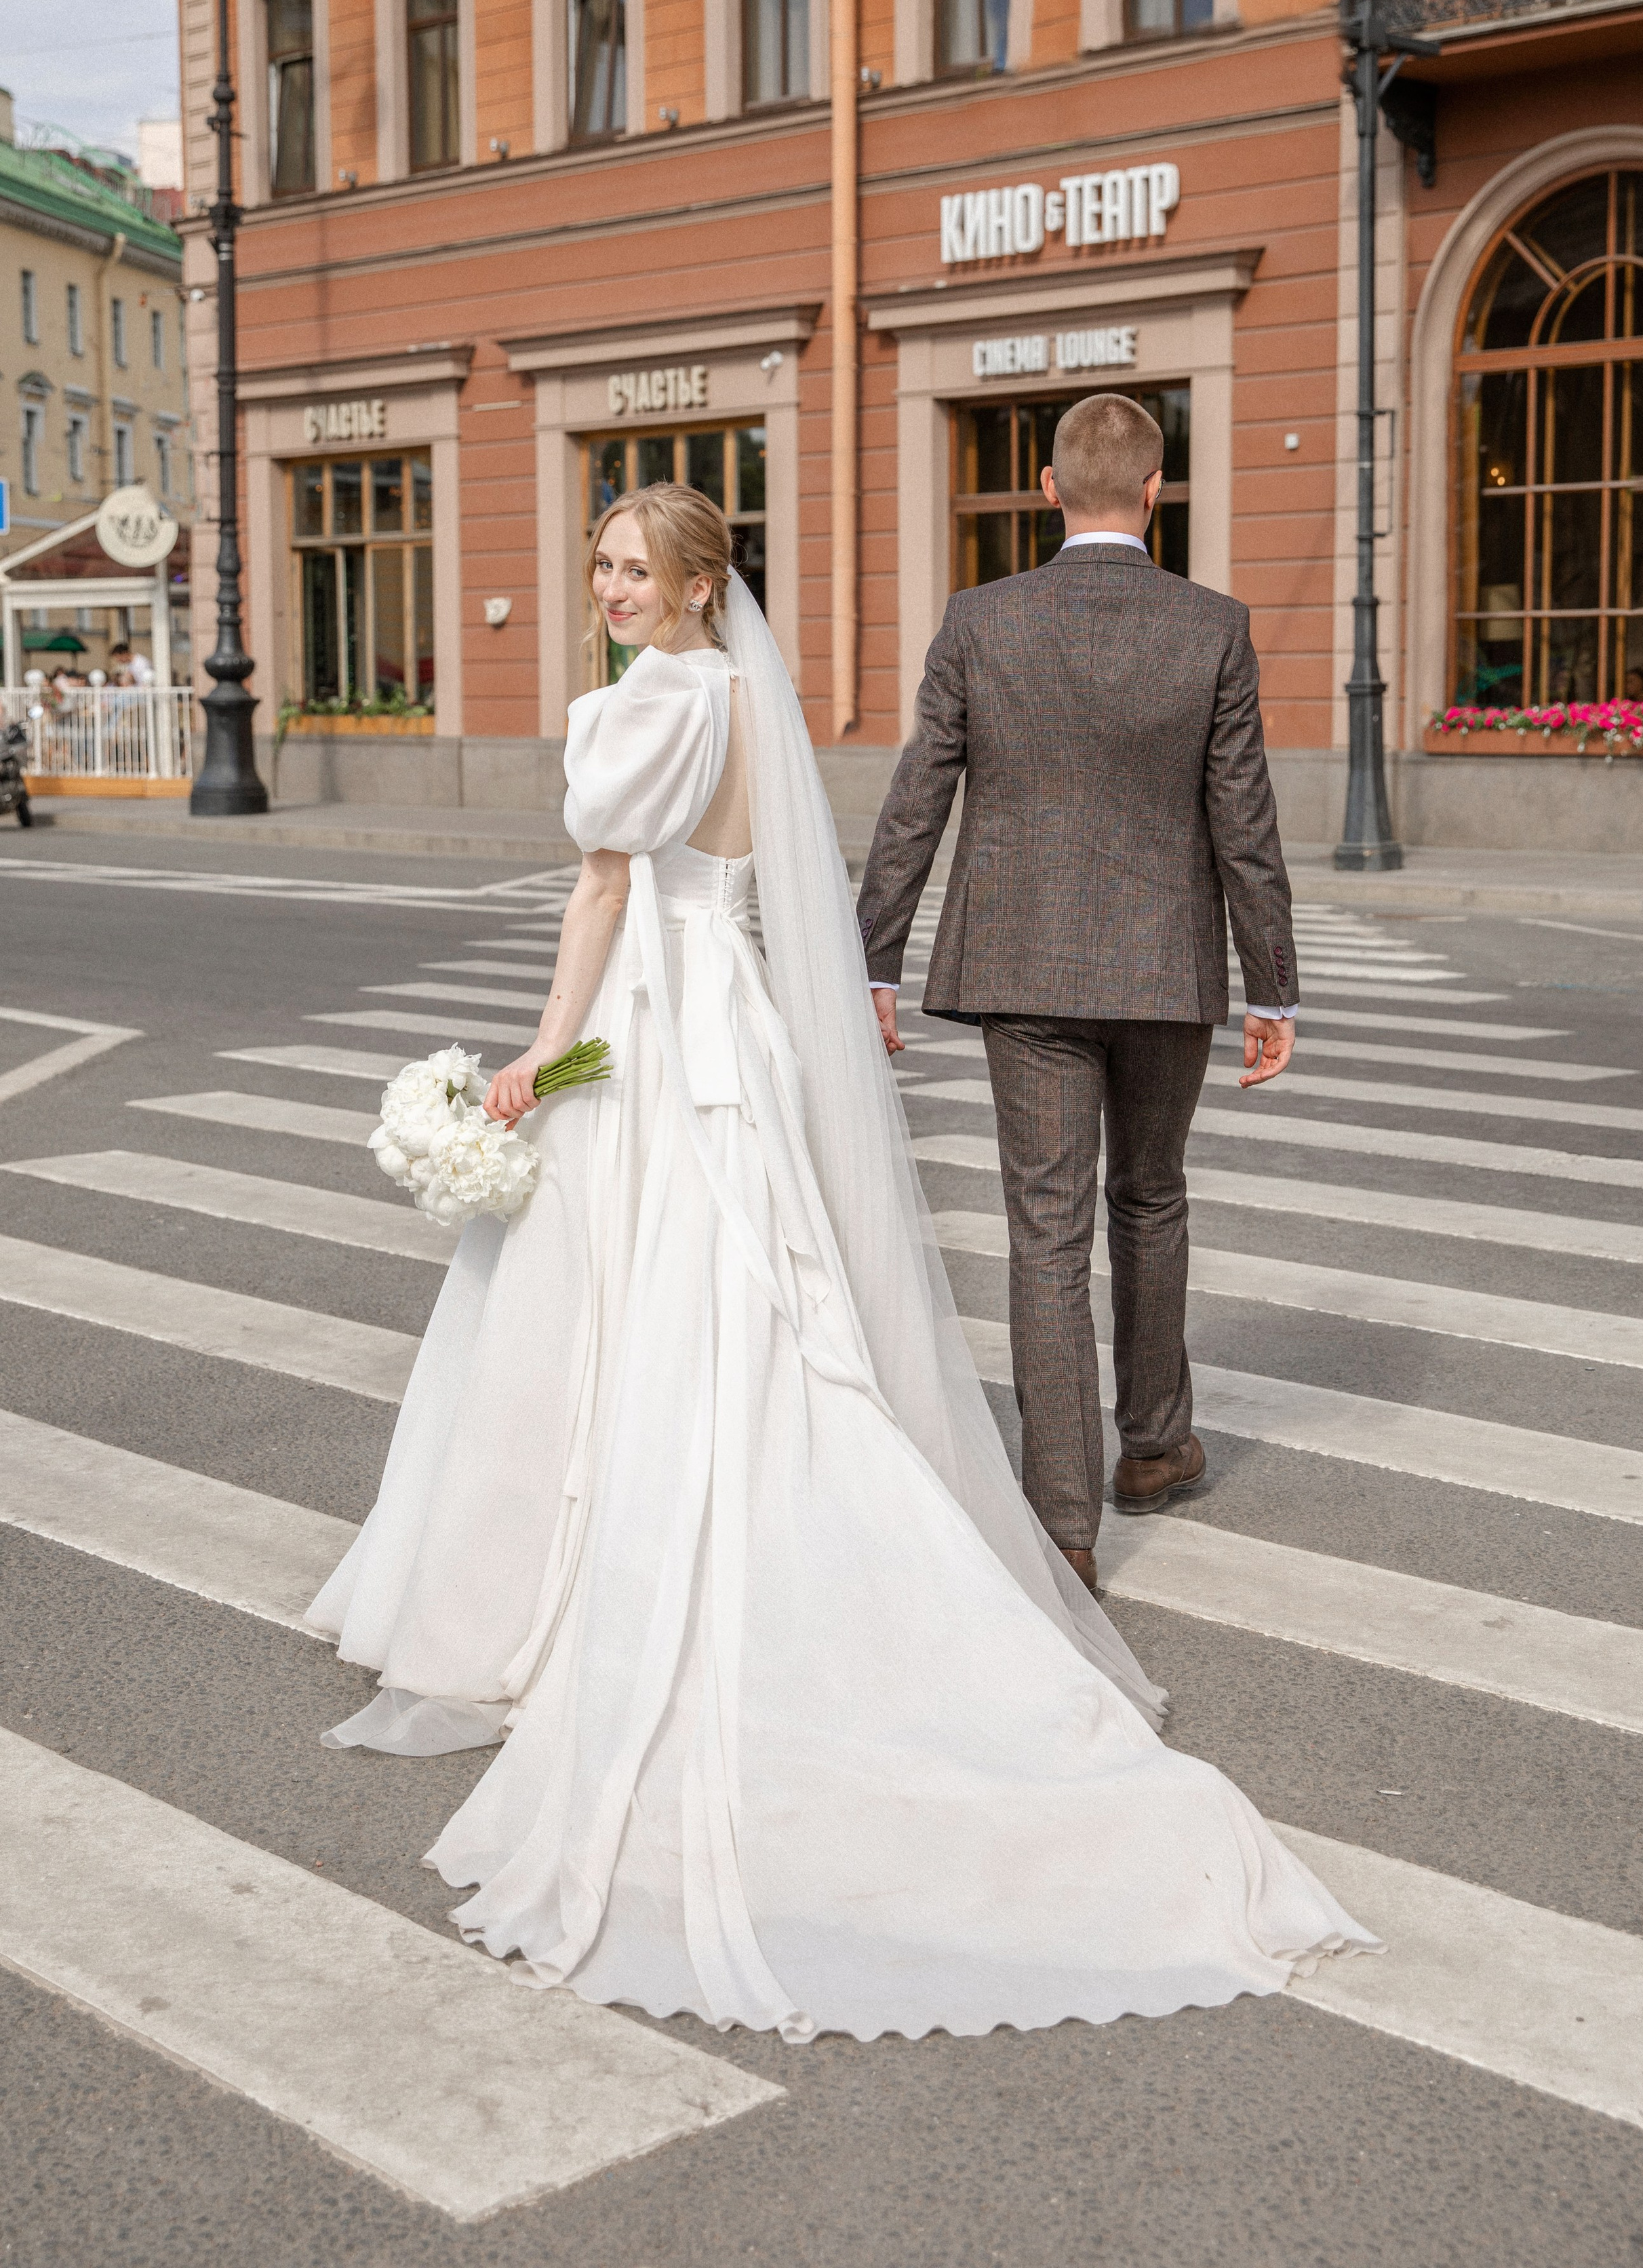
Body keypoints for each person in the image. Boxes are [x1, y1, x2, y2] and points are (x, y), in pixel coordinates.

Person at [309, 481, 1372, 2044]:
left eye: (630, 570)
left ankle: (561, 1580)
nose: (605, 587)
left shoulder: (649, 707)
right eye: (596, 564)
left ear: (690, 590)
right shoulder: (743, 699)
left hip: (657, 1033)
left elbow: (603, 891)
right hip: (728, 1023)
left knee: (629, 1294)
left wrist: (537, 1059)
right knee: (747, 1293)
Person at [856, 394, 1298, 1593]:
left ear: (1048, 490)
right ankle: (1154, 1446)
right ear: (1159, 492)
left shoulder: (980, 621)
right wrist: (1274, 989)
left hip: (1026, 968)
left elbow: (918, 797)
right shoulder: (1212, 627)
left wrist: (872, 960)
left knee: (1047, 1230)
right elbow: (1242, 822)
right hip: (1166, 970)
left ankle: (1065, 1524)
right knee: (1151, 1199)